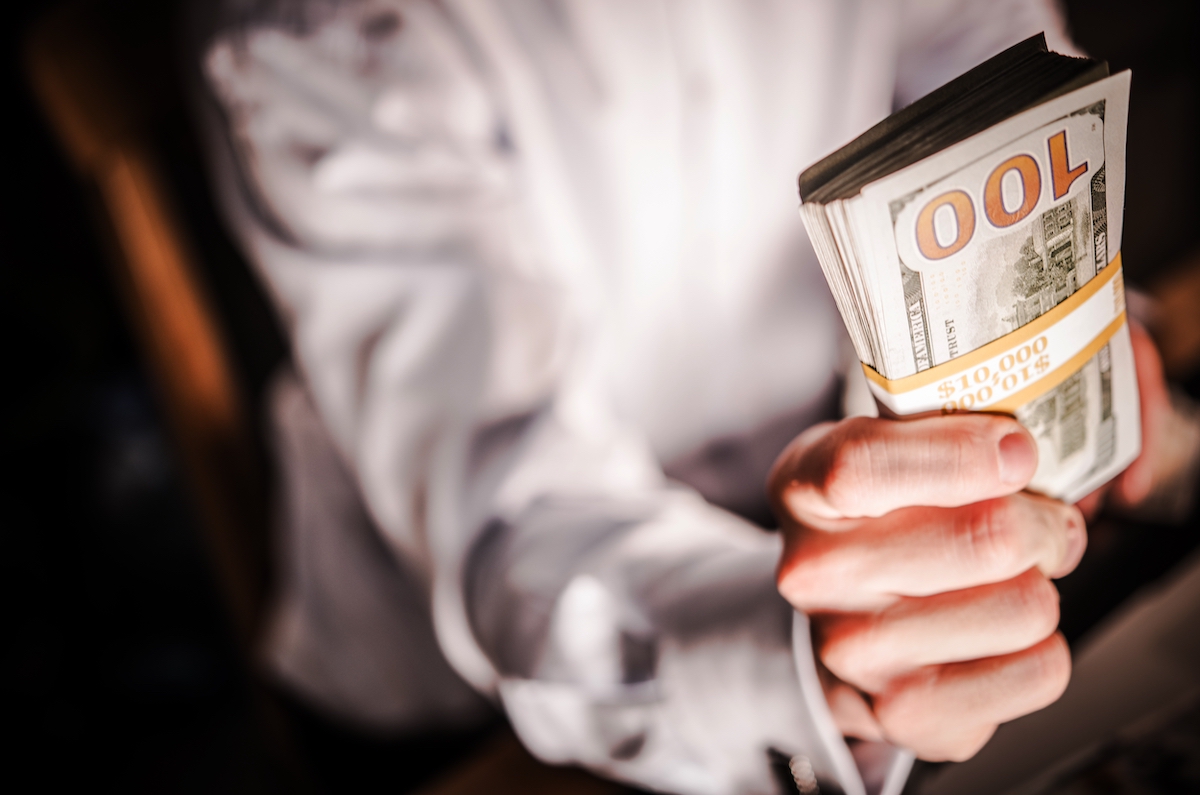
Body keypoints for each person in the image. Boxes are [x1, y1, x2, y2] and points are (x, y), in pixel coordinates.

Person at [192, 1, 1200, 793]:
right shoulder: (313, 20)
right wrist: (810, 668)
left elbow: (989, 76)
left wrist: (1081, 344)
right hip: (491, 703)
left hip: (904, 533)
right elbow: (515, 522)